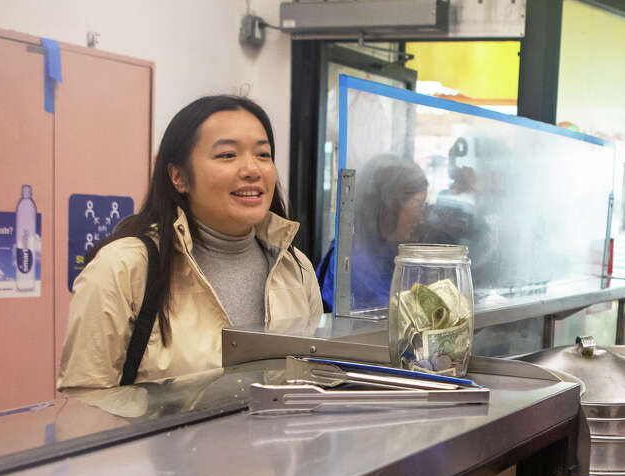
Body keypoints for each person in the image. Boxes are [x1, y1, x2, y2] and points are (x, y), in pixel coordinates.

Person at [58, 96, 322, 389]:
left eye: (263, 154)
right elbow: (84, 402)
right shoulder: (121, 268)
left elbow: (313, 380)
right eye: (227, 155)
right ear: (178, 176)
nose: (252, 169)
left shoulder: (294, 267)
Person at [320, 154, 428, 311]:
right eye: (418, 205)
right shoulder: (349, 259)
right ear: (391, 205)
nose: (421, 217)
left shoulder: (396, 255)